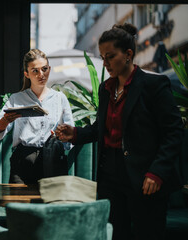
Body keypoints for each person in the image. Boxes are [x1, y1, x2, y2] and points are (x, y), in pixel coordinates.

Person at [55, 23, 183, 240]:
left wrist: (157, 172)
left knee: (148, 233)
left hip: (145, 175)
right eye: (103, 57)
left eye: (110, 56)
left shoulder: (154, 85)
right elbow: (100, 128)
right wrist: (75, 134)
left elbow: (174, 132)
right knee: (116, 234)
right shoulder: (106, 89)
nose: (105, 63)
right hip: (110, 176)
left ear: (128, 54)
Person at [0, 49, 74, 184]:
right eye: (35, 70)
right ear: (27, 74)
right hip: (23, 161)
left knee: (51, 204)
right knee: (18, 204)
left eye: (44, 69)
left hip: (52, 159)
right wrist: (5, 120)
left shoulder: (60, 98)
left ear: (49, 69)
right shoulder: (16, 99)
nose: (41, 74)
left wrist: (61, 135)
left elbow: (70, 135)